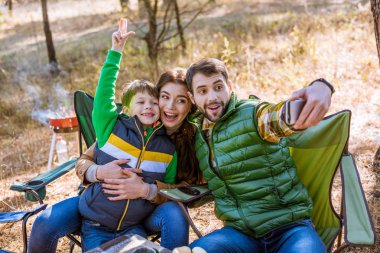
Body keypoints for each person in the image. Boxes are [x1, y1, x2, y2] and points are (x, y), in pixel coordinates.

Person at [28, 21, 202, 252]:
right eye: (163, 97)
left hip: (138, 220)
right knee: (45, 221)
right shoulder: (116, 128)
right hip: (96, 214)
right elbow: (86, 154)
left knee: (173, 213)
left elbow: (178, 189)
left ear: (191, 105)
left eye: (181, 100)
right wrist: (97, 172)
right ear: (129, 109)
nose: (167, 106)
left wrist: (146, 190)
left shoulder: (173, 147)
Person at [185, 58, 333, 253]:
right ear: (192, 97)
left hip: (290, 229)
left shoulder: (253, 115)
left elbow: (280, 118)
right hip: (239, 235)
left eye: (218, 87)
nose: (212, 97)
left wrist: (321, 87)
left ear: (229, 87)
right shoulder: (197, 136)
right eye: (203, 91)